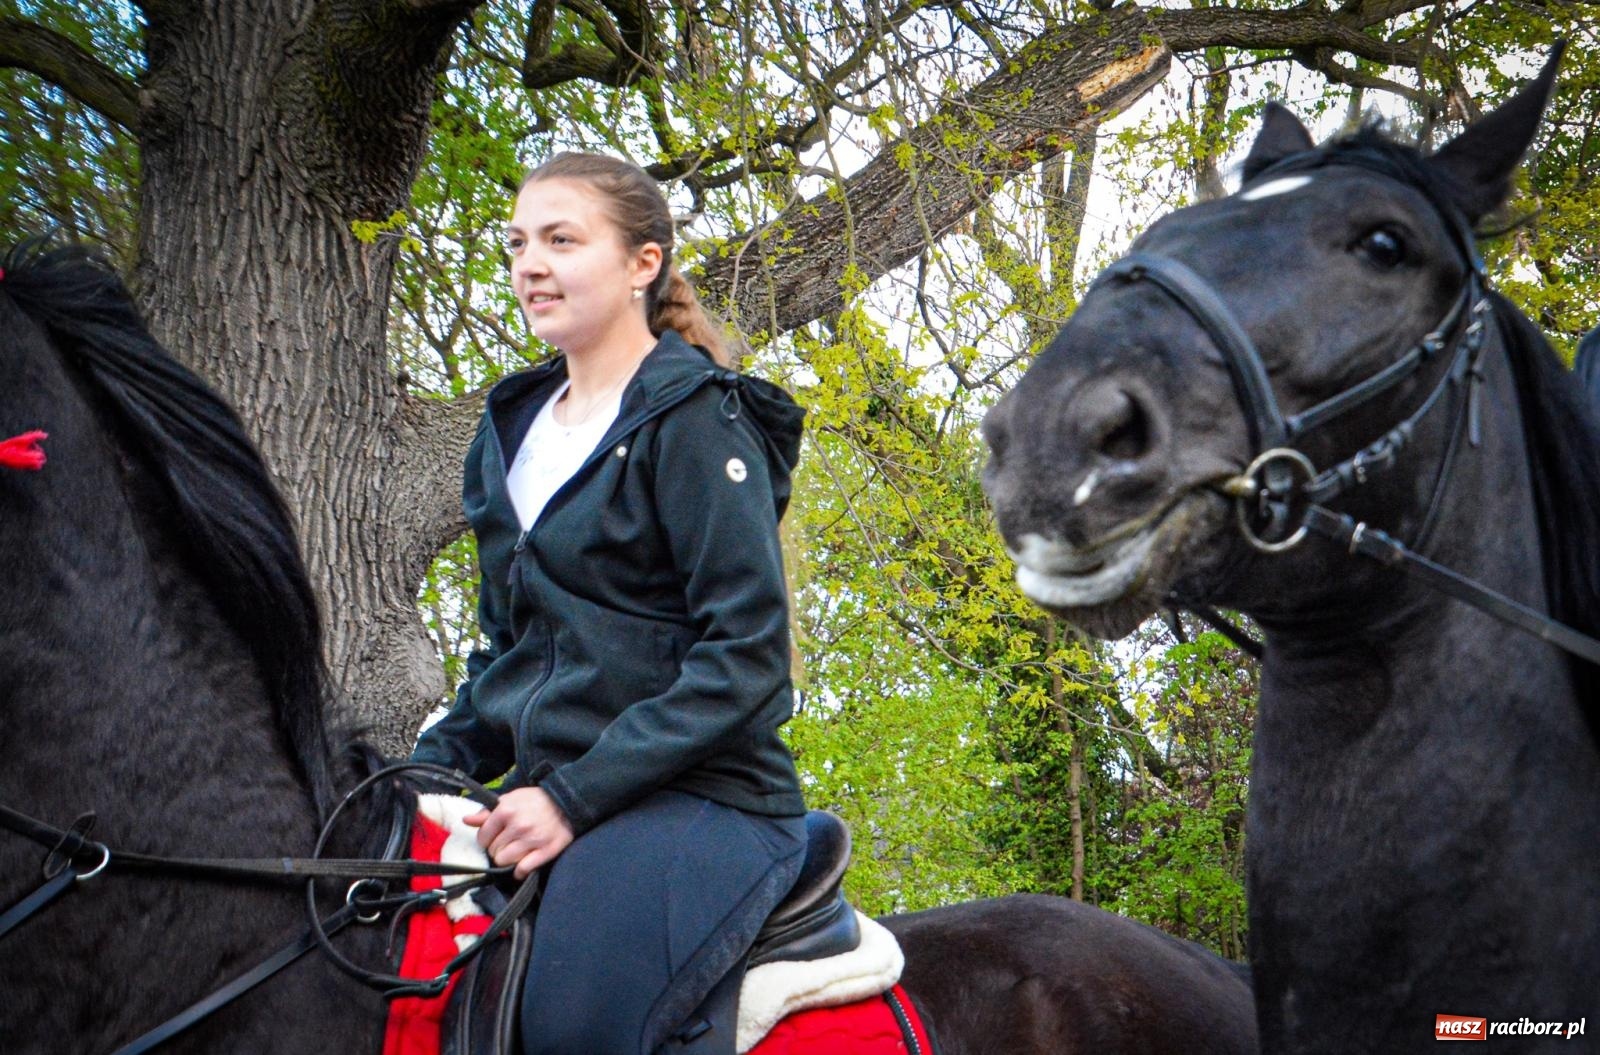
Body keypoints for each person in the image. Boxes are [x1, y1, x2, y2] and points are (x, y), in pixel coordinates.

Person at [411, 152, 809, 1055]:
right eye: (517, 243)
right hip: (549, 794)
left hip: (705, 797)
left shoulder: (698, 419)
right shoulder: (505, 436)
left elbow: (747, 658)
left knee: (573, 1025)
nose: (529, 264)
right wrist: (419, 772)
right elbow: (507, 654)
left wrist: (572, 797)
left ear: (643, 264)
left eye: (561, 240)